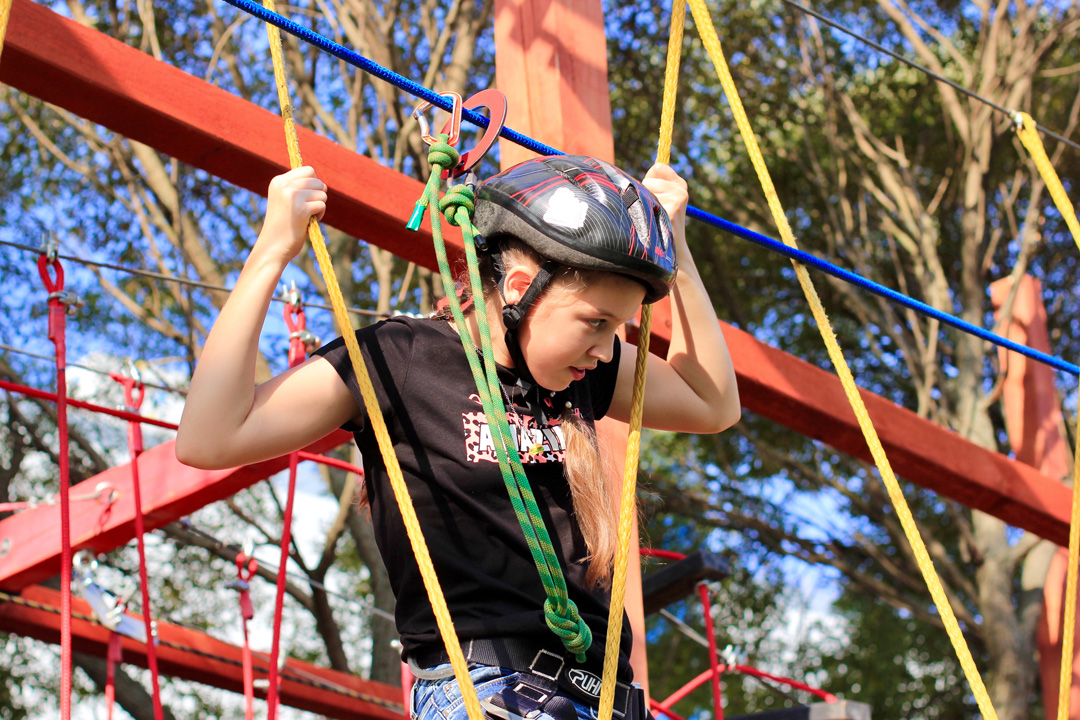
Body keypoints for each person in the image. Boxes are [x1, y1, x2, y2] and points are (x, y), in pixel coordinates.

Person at [176, 155, 740, 720]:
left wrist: (679, 253)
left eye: (616, 329)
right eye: (595, 322)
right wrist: (272, 250)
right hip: (481, 688)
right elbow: (211, 437)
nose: (604, 347)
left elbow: (713, 404)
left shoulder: (582, 377)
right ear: (521, 287)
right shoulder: (402, 359)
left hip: (602, 695)